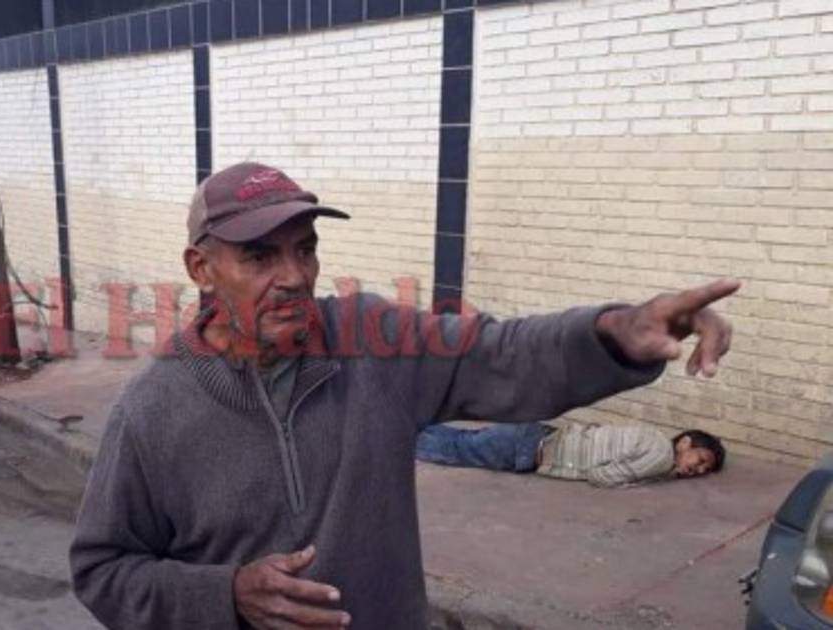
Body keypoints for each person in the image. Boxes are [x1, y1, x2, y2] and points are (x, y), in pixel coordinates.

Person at [69, 162, 740, 629]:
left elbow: (498, 353)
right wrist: (228, 595)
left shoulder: (373, 343)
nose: (295, 275)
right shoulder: (152, 412)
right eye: (260, 257)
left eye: (305, 249)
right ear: (201, 269)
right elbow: (103, 570)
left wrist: (616, 332)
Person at [416, 421, 725, 487]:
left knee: (460, 440)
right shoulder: (661, 458)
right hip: (529, 450)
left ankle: (402, 422)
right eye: (700, 459)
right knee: (453, 449)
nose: (697, 469)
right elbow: (601, 476)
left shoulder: (651, 436)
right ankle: (393, 438)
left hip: (533, 437)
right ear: (684, 443)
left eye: (704, 470)